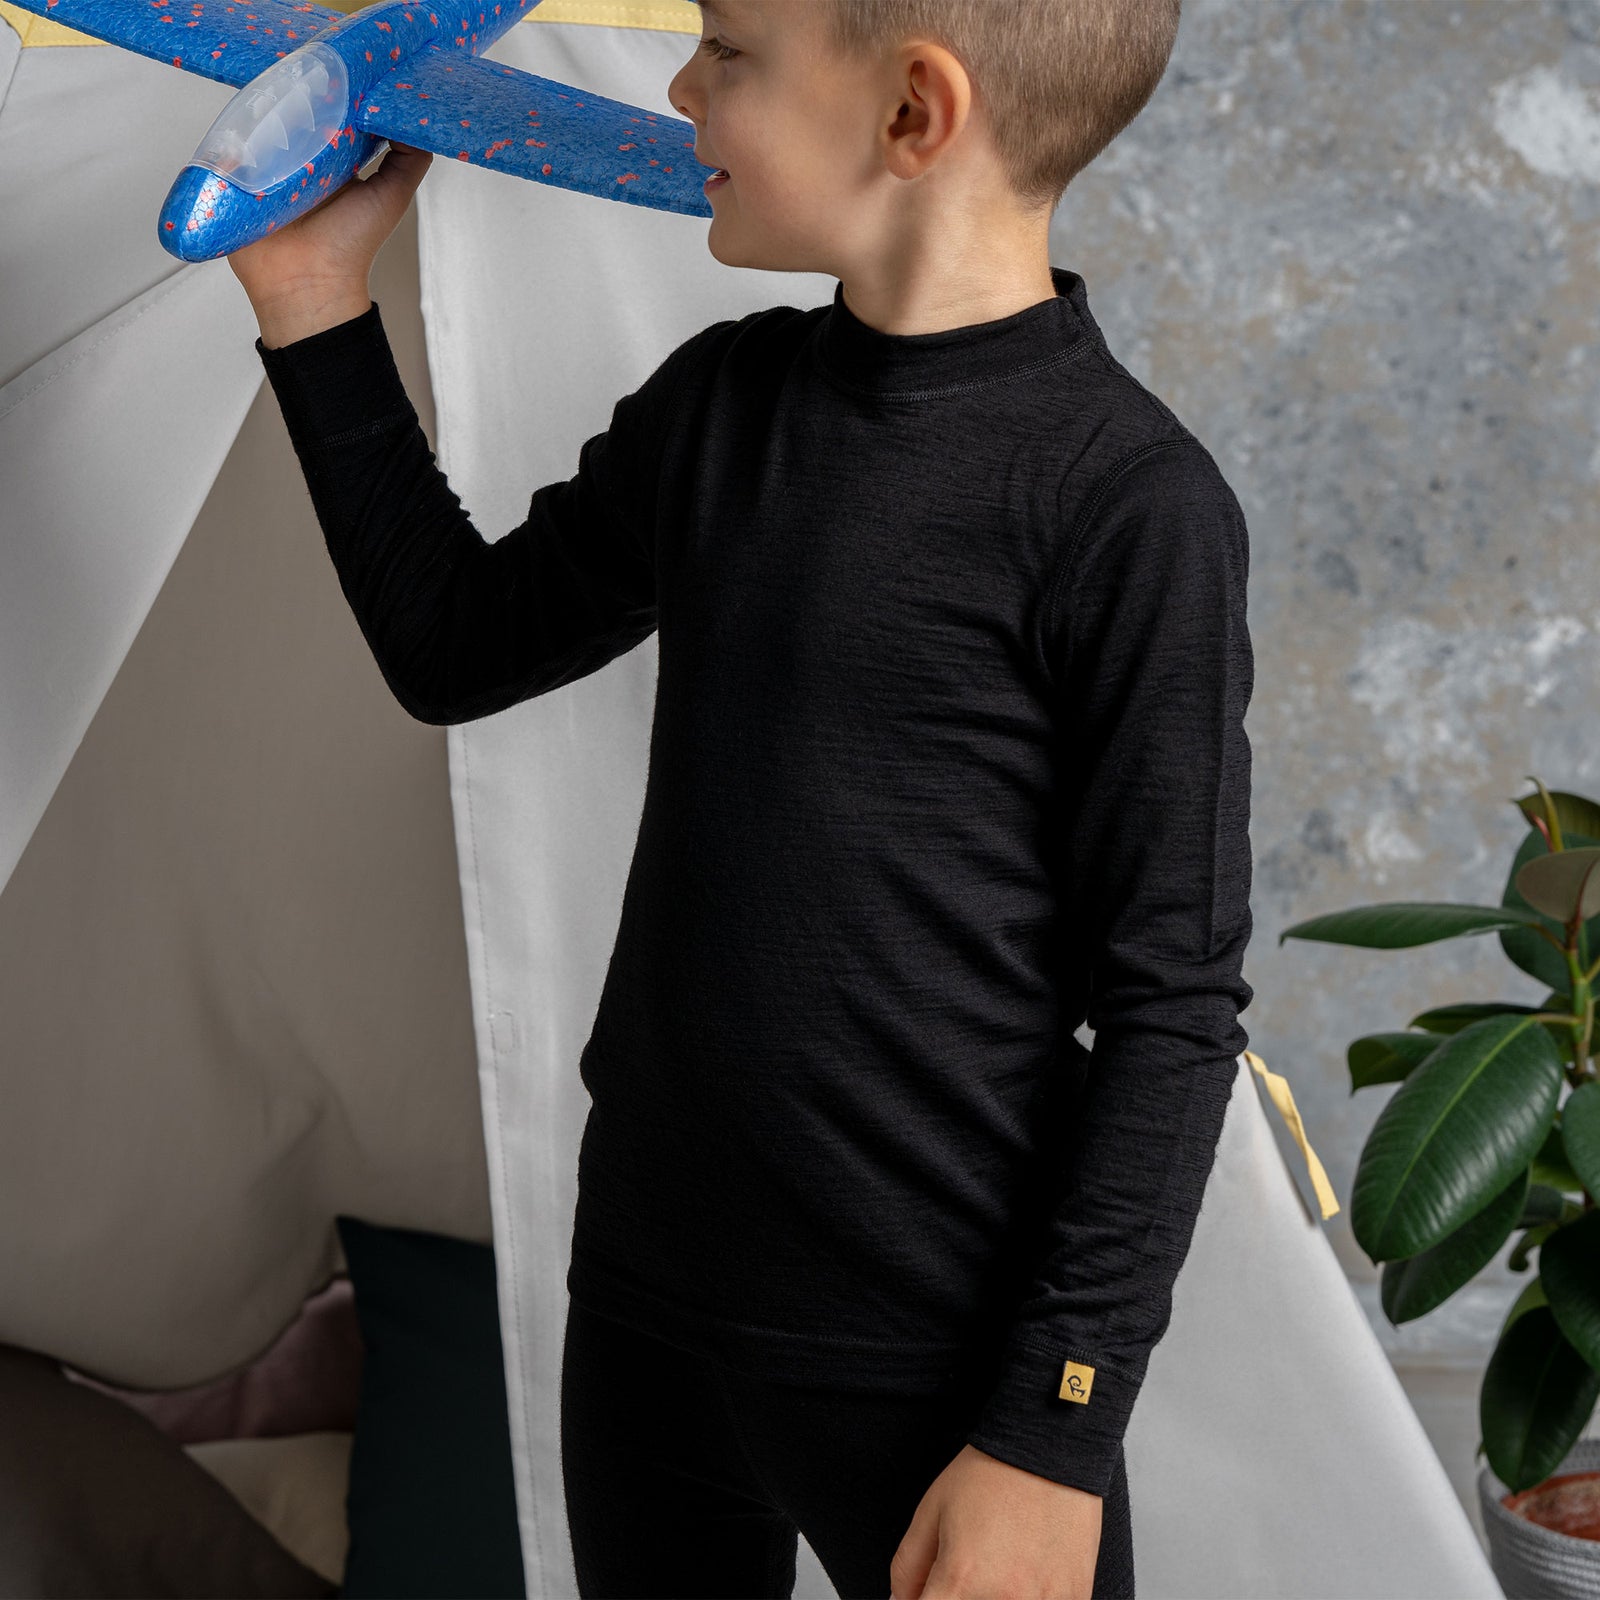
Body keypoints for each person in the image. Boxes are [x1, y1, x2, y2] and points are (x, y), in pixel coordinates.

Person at [231, 1, 1253, 1596]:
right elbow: (452, 645)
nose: (680, 86)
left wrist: (1054, 1431)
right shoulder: (724, 408)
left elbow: (1173, 1010)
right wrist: (313, 301)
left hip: (935, 1364)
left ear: (915, 114)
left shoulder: (1130, 508)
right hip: (645, 1308)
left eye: (728, 54)